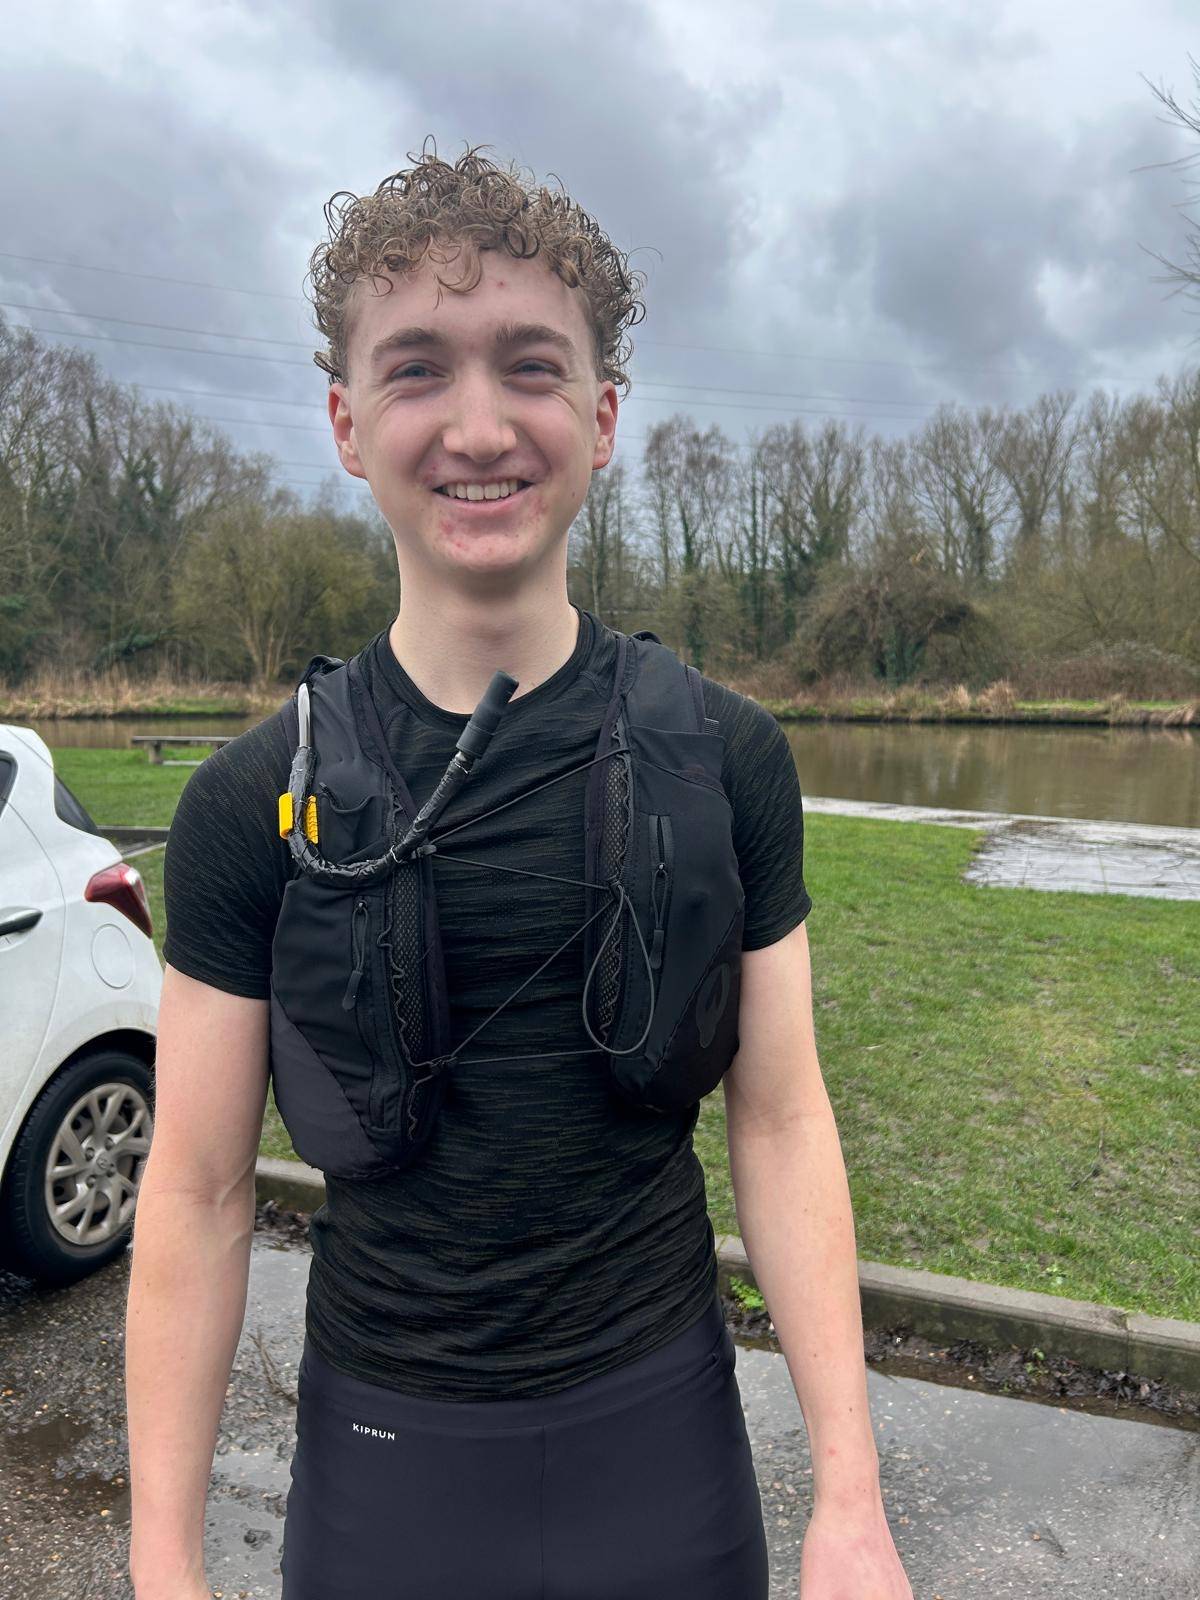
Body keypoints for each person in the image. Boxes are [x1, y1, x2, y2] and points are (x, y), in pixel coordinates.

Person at [125, 140, 913, 1600]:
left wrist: (851, 1503)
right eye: (418, 368)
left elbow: (785, 1120)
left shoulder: (731, 759)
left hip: (665, 1450)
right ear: (347, 422)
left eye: (531, 367)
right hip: (383, 1472)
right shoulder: (250, 805)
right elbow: (198, 1191)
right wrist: (163, 1564)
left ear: (602, 417)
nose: (479, 426)